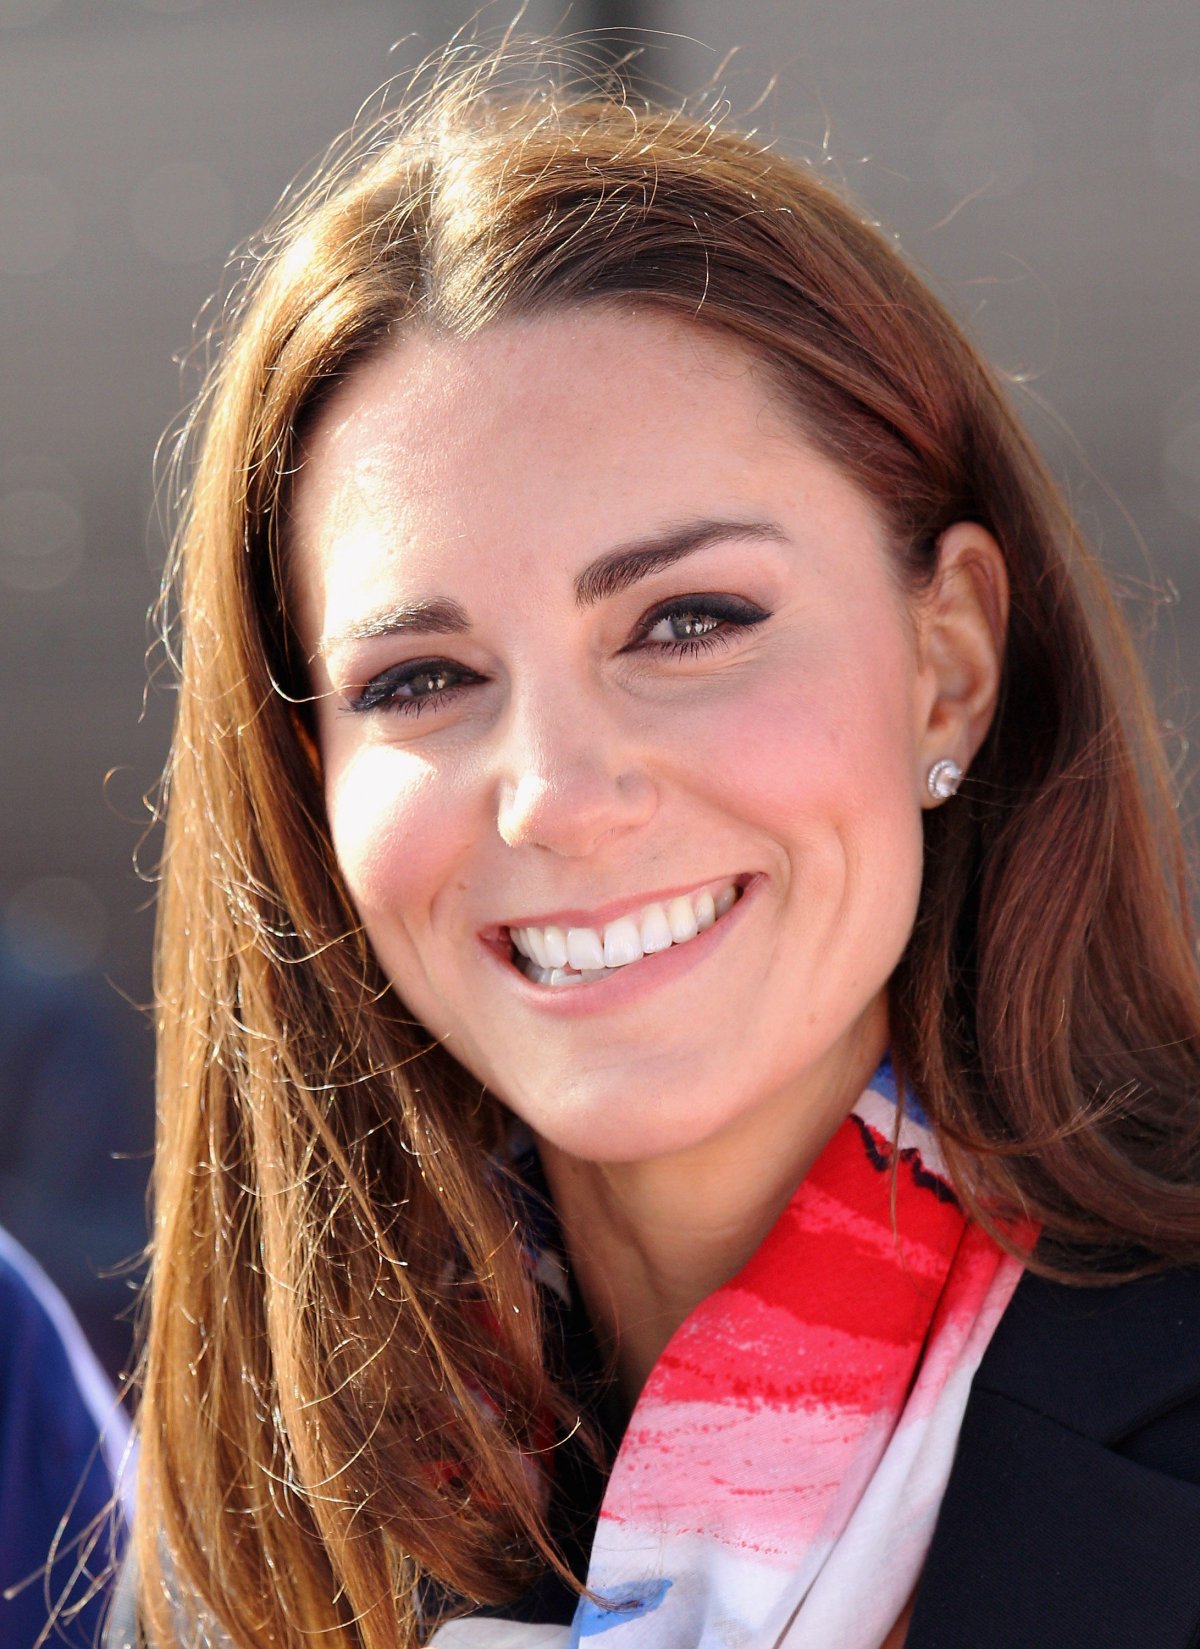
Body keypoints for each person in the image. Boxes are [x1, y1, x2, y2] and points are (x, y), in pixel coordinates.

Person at [122, 42, 1200, 1649]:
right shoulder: (265, 1536)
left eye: (687, 620)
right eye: (421, 679)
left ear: (950, 658)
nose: (556, 790)